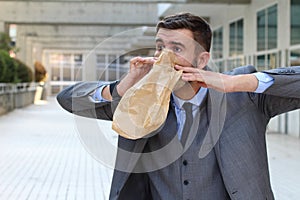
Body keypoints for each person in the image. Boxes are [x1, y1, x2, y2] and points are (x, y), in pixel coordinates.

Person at [57, 12, 300, 200]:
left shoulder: (243, 96)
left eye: (177, 49)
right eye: (160, 47)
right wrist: (123, 87)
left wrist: (234, 82)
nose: (164, 56)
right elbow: (68, 98)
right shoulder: (139, 103)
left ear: (202, 59)